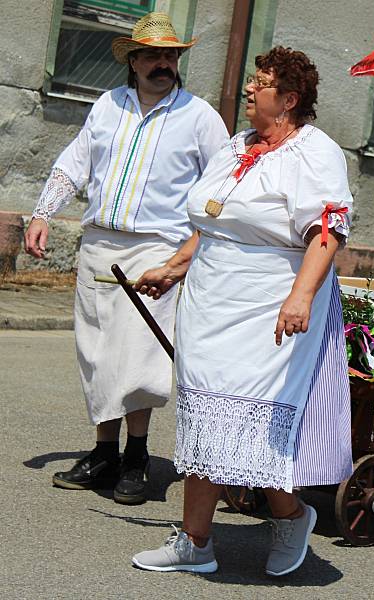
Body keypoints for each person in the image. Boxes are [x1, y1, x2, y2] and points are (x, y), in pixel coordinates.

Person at [130, 46, 353, 577]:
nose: (250, 89)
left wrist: (300, 297)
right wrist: (175, 266)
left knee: (255, 420)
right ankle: (197, 542)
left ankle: (290, 515)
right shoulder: (237, 146)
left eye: (262, 82)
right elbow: (212, 222)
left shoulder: (314, 151)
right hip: (211, 299)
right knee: (206, 417)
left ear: (290, 99)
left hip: (269, 301)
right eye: (251, 79)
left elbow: (327, 229)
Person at [23, 12, 229, 505]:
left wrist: (202, 247)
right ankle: (103, 454)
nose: (164, 63)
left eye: (171, 56)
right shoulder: (108, 106)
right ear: (133, 61)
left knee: (138, 355)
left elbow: (223, 185)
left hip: (158, 248)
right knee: (96, 351)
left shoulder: (200, 117)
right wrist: (42, 213)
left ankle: (137, 457)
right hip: (99, 243)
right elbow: (75, 162)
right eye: (154, 55)